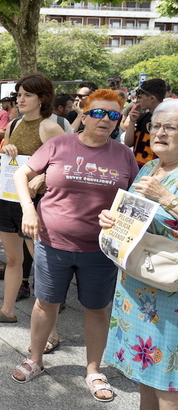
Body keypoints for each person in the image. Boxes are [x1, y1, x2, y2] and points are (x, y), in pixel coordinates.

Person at [11, 90, 139, 404]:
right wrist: (28, 208)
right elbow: (21, 173)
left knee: (96, 310)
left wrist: (120, 217)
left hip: (99, 250)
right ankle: (36, 359)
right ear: (83, 116)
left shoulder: (123, 154)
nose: (105, 120)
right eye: (98, 113)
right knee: (46, 303)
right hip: (53, 243)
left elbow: (134, 201)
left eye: (113, 115)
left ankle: (94, 370)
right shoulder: (59, 145)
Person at [101, 98, 178, 409]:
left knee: (167, 384)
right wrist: (112, 220)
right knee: (145, 375)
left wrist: (169, 200)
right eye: (155, 126)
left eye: (170, 127)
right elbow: (136, 217)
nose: (159, 133)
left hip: (169, 293)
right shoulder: (148, 166)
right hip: (135, 282)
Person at [0, 73, 64, 323]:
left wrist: (44, 177)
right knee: (13, 259)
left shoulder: (49, 126)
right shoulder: (14, 123)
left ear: (42, 98)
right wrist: (4, 149)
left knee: (42, 265)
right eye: (19, 94)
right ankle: (7, 310)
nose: (21, 99)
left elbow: (66, 163)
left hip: (35, 204)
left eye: (28, 94)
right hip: (8, 197)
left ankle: (51, 328)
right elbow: (6, 151)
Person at [122, 78, 168, 167]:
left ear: (151, 98)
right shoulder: (143, 117)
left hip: (155, 168)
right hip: (137, 167)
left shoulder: (167, 120)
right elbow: (128, 143)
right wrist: (132, 121)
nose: (137, 100)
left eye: (140, 97)